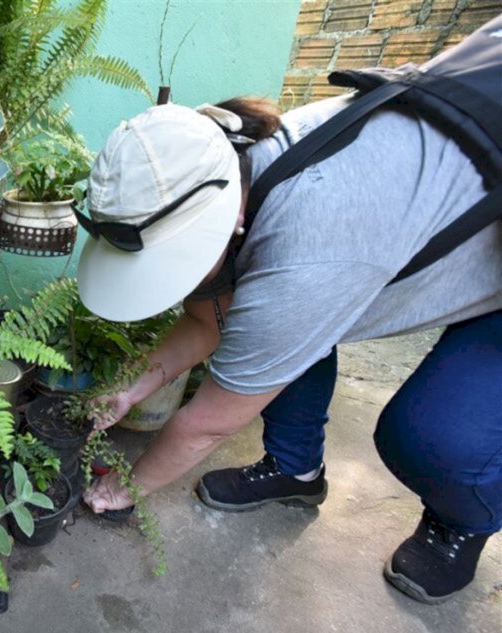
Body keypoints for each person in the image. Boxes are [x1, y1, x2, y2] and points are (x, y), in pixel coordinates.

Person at [73, 85, 501, 603]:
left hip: (489, 276)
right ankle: (296, 469)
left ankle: (463, 520)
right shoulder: (237, 164)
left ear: (227, 220)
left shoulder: (308, 247)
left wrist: (126, 485)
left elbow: (207, 424)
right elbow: (208, 322)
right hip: (395, 237)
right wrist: (128, 389)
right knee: (278, 341)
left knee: (431, 436)